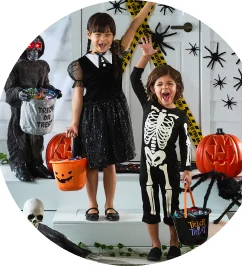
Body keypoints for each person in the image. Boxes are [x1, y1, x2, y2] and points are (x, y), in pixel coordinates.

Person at [66, 2, 156, 222]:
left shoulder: (117, 51)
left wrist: (149, 4)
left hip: (115, 112)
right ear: (89, 35)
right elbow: (78, 95)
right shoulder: (79, 65)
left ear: (113, 36)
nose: (103, 39)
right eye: (98, 34)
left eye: (108, 34)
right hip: (91, 115)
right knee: (92, 163)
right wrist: (74, 122)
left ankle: (110, 205)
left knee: (111, 163)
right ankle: (92, 205)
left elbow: (134, 25)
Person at [130, 36, 192, 261]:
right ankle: (155, 245)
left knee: (171, 206)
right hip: (147, 165)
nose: (165, 87)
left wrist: (187, 169)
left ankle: (174, 243)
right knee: (150, 206)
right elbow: (134, 77)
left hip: (170, 167)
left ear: (177, 88)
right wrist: (146, 56)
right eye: (159, 84)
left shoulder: (180, 115)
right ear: (152, 89)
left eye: (170, 84)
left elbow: (184, 144)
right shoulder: (148, 105)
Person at [4, 35, 62, 182]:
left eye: (37, 46)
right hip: (21, 110)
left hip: (36, 110)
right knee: (19, 136)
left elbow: (45, 85)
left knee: (37, 136)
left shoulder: (42, 66)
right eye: (31, 46)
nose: (34, 50)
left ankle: (36, 164)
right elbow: (9, 89)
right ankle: (19, 165)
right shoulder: (14, 65)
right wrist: (19, 93)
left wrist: (53, 90)